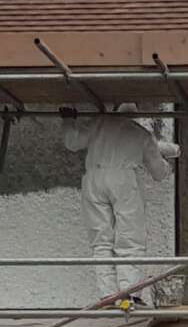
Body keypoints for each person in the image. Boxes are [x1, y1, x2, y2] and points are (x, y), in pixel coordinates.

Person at [60, 111, 178, 303]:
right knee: (130, 238)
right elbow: (158, 172)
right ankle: (129, 294)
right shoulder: (140, 133)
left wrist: (68, 120)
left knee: (101, 240)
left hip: (93, 177)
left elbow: (72, 142)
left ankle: (107, 295)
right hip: (123, 179)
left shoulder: (99, 123)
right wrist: (167, 164)